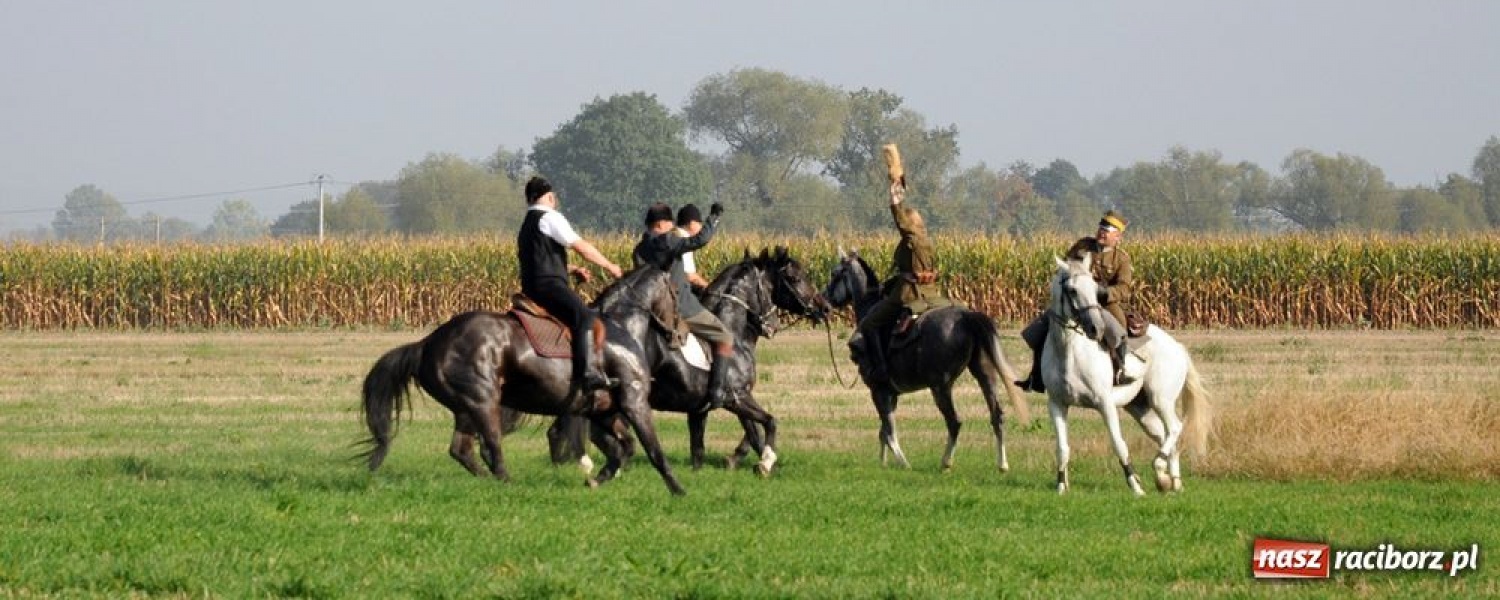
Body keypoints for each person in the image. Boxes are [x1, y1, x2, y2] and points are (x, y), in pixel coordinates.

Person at [517, 176, 624, 394]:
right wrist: (609, 265)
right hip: (549, 287)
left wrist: (572, 269)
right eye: (552, 196)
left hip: (531, 287)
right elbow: (581, 247)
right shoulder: (550, 217)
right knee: (585, 317)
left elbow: (540, 259)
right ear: (549, 196)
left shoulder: (527, 223)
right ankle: (587, 374)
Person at [1015, 210, 1135, 393]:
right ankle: (1036, 376)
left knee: (1119, 328)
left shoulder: (1122, 259)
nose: (1101, 232)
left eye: (1107, 230)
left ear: (1117, 236)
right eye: (1101, 228)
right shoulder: (1082, 246)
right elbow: (1065, 267)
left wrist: (1104, 292)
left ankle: (1120, 370)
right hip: (1076, 300)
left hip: (1103, 302)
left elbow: (1124, 288)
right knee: (1038, 330)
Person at [631, 201, 733, 410]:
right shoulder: (669, 240)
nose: (672, 227)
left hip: (651, 311)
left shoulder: (639, 249)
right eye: (669, 223)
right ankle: (717, 391)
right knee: (725, 337)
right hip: (682, 308)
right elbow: (701, 239)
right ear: (660, 225)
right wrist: (714, 217)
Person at [851, 180, 940, 385]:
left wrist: (895, 198)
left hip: (909, 293)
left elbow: (900, 219)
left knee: (869, 323)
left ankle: (881, 369)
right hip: (932, 293)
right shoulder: (927, 241)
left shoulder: (911, 240)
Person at [675, 204, 711, 293]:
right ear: (692, 223)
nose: (701, 227)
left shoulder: (671, 236)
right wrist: (711, 289)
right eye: (699, 223)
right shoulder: (683, 240)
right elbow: (690, 276)